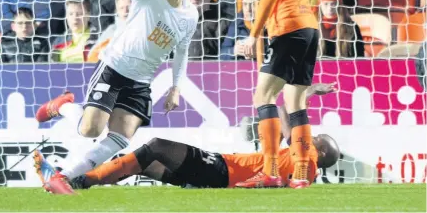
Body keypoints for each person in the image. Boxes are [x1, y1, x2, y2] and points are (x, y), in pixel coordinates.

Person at [34, 0, 199, 195]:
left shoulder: (190, 14)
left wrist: (175, 87)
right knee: (90, 131)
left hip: (141, 82)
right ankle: (62, 106)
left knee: (121, 138)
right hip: (114, 69)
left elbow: (181, 52)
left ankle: (64, 176)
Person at [34, 83, 339, 193]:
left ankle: (80, 180)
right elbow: (289, 118)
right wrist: (306, 94)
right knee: (147, 161)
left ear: (320, 151)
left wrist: (306, 95)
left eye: (315, 140)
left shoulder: (307, 161)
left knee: (156, 147)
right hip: (220, 176)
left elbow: (296, 123)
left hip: (223, 171)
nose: (308, 139)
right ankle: (81, 181)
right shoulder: (299, 164)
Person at [237, 0, 320, 189]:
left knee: (263, 98)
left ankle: (270, 170)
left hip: (287, 28)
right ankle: (300, 172)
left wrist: (253, 34)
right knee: (295, 101)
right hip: (308, 28)